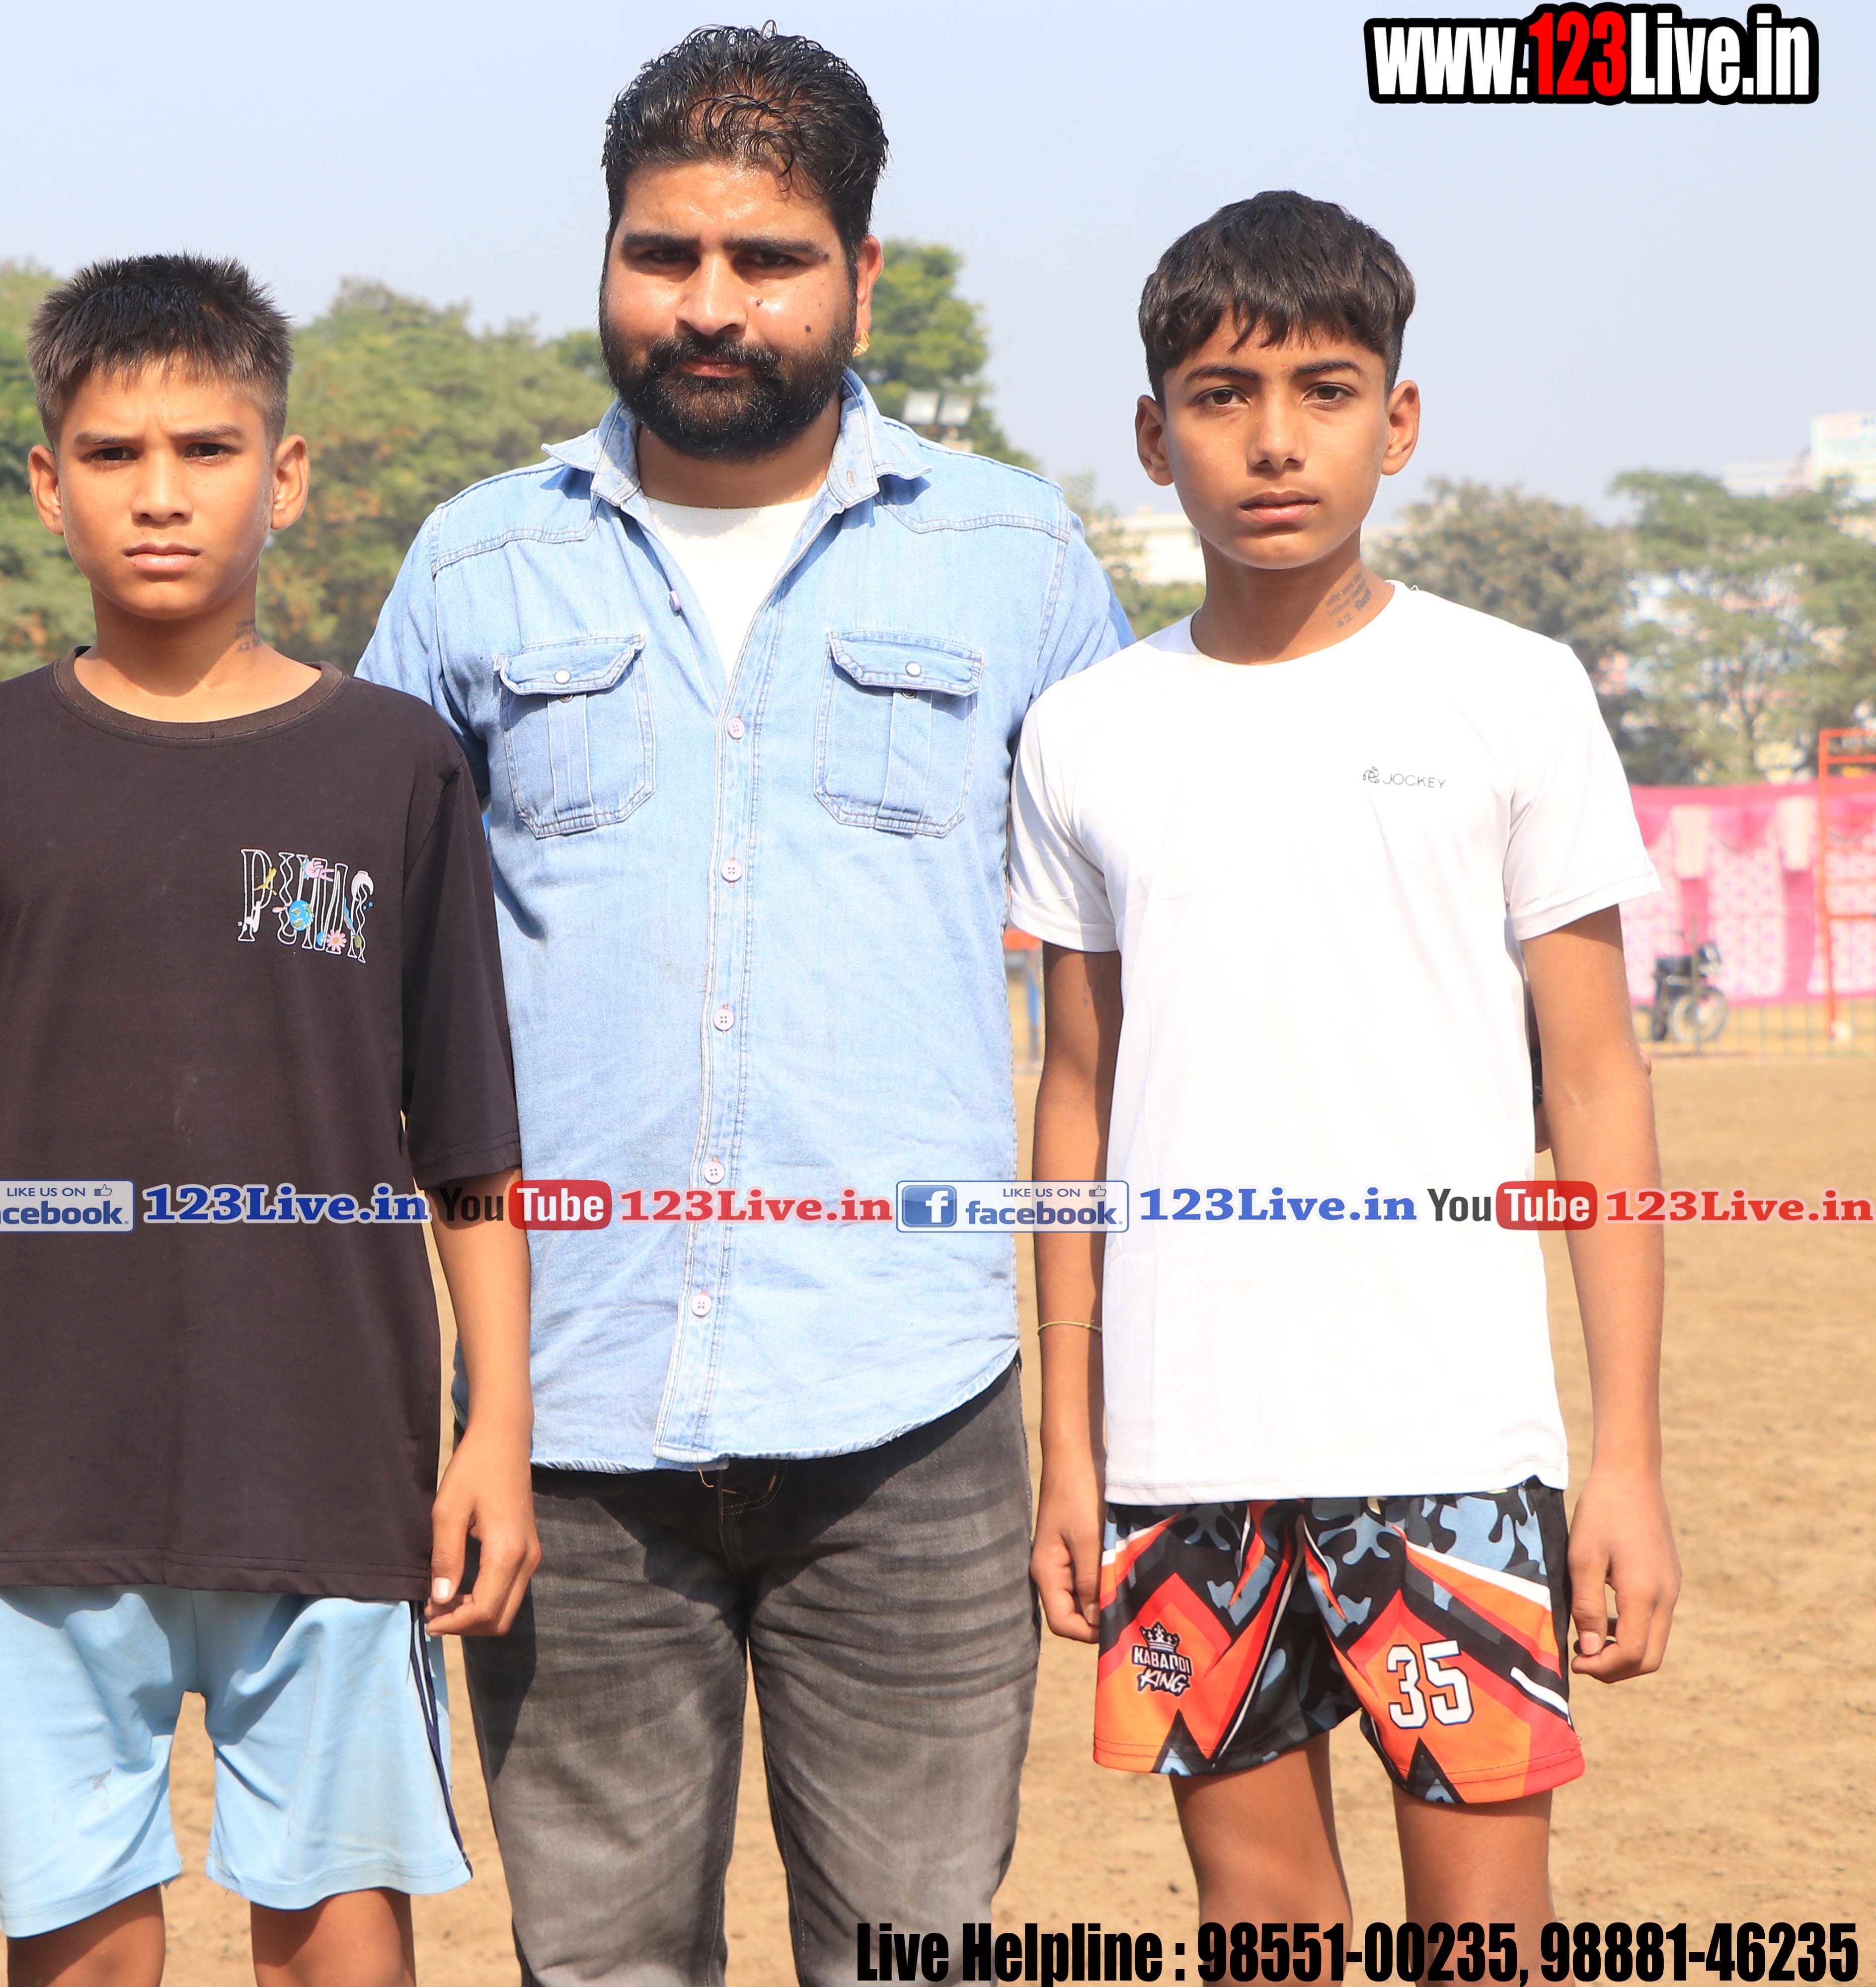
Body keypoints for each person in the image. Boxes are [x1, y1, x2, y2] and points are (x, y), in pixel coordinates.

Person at [354, 27, 1131, 1982]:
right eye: (663, 253)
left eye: (767, 258)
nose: (709, 303)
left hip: (916, 1425)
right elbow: (344, 928)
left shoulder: (1015, 560)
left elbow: (1142, 955)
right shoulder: (476, 564)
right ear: (609, 258)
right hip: (558, 1432)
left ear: (860, 277)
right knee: (602, 1961)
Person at [0, 252, 539, 1987]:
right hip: (45, 1469)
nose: (160, 493)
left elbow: (470, 1150)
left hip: (335, 1460)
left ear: (285, 477)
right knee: (78, 1942)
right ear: (46, 482)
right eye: (113, 453)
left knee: (340, 1932)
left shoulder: (393, 767)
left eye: (207, 450)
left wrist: (496, 1427)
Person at [1013, 191, 1679, 1942]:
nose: (1275, 441)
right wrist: (1071, 1444)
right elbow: (1076, 1094)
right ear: (1153, 433)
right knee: (1262, 1926)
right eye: (1222, 396)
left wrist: (1626, 1460)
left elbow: (1596, 1087)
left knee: (1486, 1934)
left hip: (1451, 1431)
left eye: (1324, 390)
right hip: (1180, 1448)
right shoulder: (1084, 733)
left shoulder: (1513, 693)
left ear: (1398, 419)